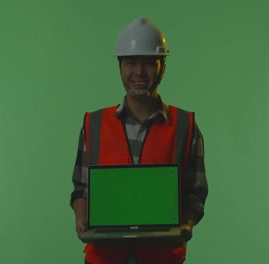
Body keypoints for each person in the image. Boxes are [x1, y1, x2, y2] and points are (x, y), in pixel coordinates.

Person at [70, 18, 208, 264]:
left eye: (148, 63)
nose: (138, 73)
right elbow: (81, 189)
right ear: (120, 66)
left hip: (162, 257)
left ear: (162, 67)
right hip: (104, 258)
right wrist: (81, 219)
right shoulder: (94, 124)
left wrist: (185, 224)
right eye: (130, 63)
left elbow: (195, 193)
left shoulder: (185, 125)